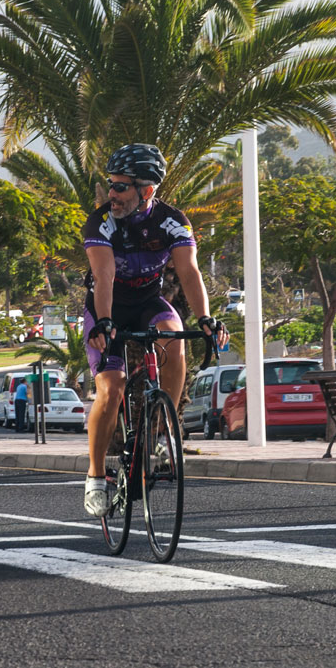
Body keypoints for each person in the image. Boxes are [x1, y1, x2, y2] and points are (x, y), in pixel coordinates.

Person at [81, 143, 229, 518]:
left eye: (120, 187)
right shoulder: (101, 222)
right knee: (111, 388)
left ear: (146, 190)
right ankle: (95, 476)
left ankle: (163, 431)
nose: (111, 193)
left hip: (148, 302)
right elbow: (103, 276)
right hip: (107, 307)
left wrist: (205, 318)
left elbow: (189, 271)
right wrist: (105, 322)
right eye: (110, 184)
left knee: (174, 338)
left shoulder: (172, 221)